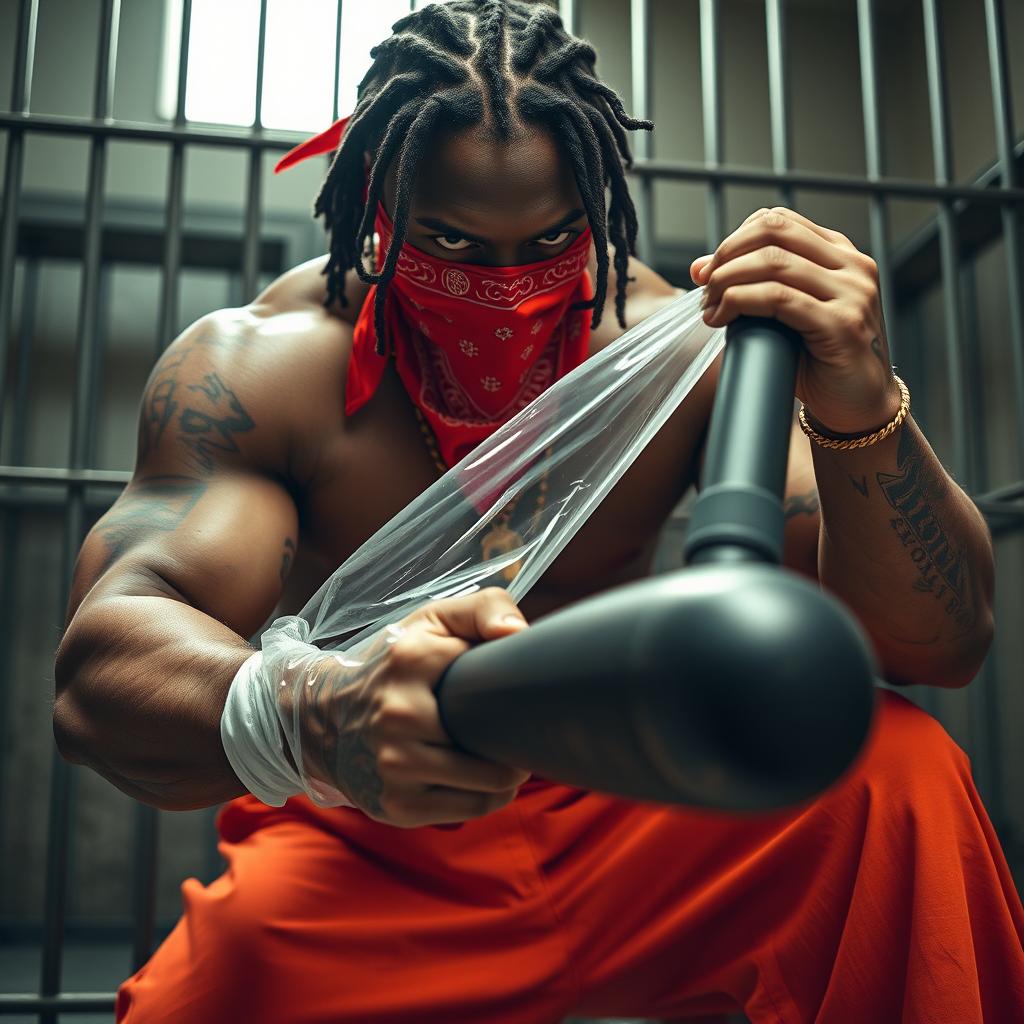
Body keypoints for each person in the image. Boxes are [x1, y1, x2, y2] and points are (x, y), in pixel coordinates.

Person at [53, 2, 1023, 1021]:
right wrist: (316, 713)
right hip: (380, 820)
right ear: (377, 203)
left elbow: (934, 643)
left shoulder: (673, 350)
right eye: (452, 243)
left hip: (640, 793)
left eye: (555, 237)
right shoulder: (264, 367)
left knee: (899, 776)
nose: (509, 285)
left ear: (599, 203)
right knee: (199, 997)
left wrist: (863, 402)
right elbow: (101, 667)